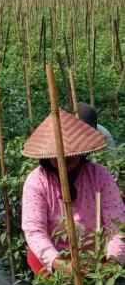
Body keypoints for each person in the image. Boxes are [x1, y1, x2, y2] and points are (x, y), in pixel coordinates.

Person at [22, 108, 125, 276]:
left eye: (71, 153)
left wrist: (111, 263)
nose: (64, 158)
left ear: (82, 152)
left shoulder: (99, 176)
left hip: (96, 258)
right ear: (47, 155)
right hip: (52, 260)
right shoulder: (36, 182)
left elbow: (117, 224)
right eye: (57, 154)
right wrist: (60, 264)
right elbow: (34, 231)